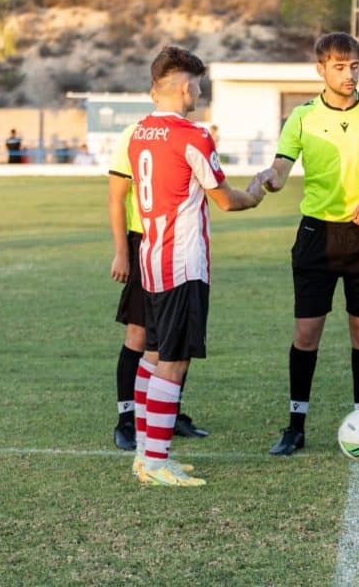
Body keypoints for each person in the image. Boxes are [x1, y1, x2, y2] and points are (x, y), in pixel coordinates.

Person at [254, 32, 359, 457]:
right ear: (320, 69)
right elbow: (282, 169)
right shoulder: (302, 117)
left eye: (354, 65)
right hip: (316, 238)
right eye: (339, 66)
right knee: (306, 333)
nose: (349, 73)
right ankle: (295, 425)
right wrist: (270, 178)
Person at [128, 46, 264, 487]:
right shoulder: (193, 135)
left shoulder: (138, 133)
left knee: (151, 357)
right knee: (175, 360)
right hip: (181, 262)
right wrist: (257, 192)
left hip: (150, 258)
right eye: (199, 83)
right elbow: (224, 199)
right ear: (186, 86)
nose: (200, 91)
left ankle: (146, 454)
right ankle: (155, 460)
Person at [107, 116, 210, 454]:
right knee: (139, 336)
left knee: (175, 339)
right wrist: (122, 252)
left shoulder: (179, 134)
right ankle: (127, 419)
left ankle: (169, 412)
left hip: (174, 241)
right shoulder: (133, 134)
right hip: (144, 242)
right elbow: (116, 197)